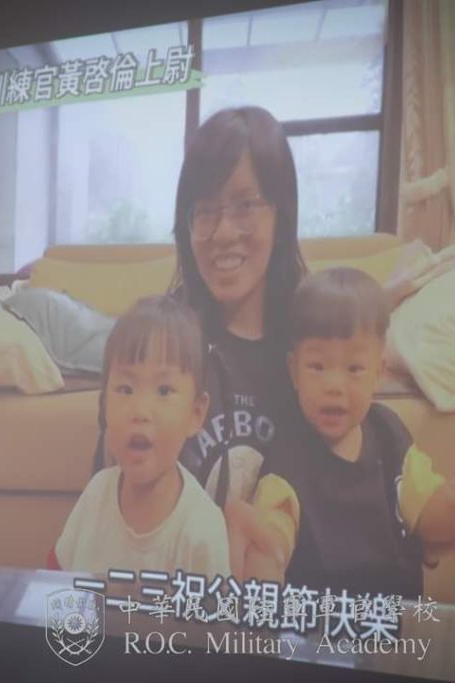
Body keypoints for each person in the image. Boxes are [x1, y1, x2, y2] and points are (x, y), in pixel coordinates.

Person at [253, 268, 455, 596]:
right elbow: (276, 523)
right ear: (293, 371)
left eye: (354, 368)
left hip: (392, 617)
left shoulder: (389, 436)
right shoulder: (287, 449)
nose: (334, 386)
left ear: (379, 372)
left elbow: (427, 512)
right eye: (317, 366)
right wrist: (267, 554)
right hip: (319, 622)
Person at [167, 106, 308, 578]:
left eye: (246, 205)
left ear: (281, 214)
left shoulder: (312, 347)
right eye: (205, 211)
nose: (224, 233)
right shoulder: (164, 341)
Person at [50, 296, 230, 578]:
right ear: (104, 404)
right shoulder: (96, 495)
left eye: (164, 391)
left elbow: (212, 607)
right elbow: (56, 577)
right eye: (125, 389)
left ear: (196, 414)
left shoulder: (201, 527)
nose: (140, 411)